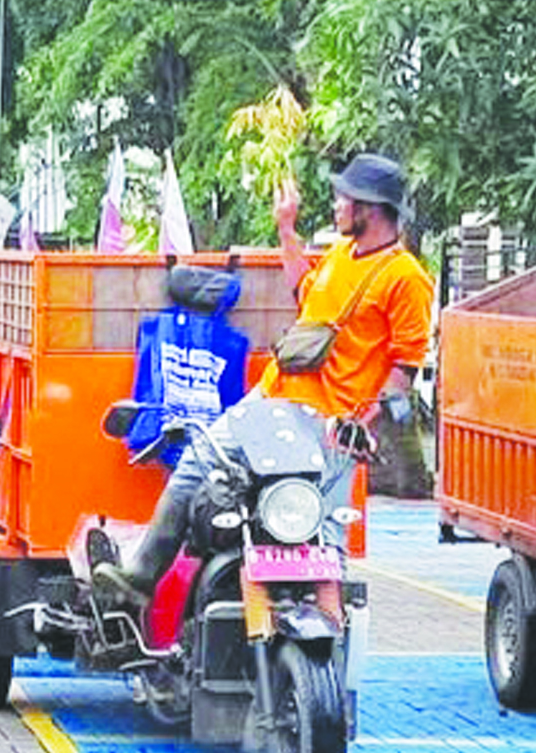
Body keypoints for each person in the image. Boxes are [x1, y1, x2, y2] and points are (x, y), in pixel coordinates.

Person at [96, 153, 433, 598]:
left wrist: (361, 424)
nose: (335, 207)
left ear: (367, 207)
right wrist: (286, 230)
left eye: (341, 199)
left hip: (329, 426)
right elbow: (304, 292)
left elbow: (404, 369)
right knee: (196, 465)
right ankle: (140, 576)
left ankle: (326, 651)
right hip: (271, 401)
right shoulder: (341, 255)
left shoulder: (405, 278)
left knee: (324, 545)